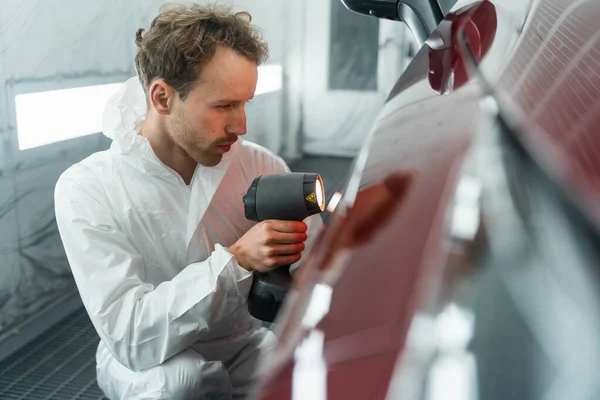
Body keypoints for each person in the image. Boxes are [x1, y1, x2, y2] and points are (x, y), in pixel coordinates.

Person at [54, 3, 322, 399]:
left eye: (245, 102)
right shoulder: (87, 188)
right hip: (148, 364)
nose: (241, 125)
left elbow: (318, 273)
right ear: (162, 97)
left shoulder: (260, 164)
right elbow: (131, 337)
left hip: (241, 343)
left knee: (314, 374)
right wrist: (236, 262)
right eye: (224, 106)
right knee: (183, 384)